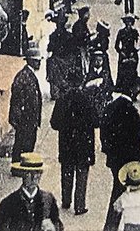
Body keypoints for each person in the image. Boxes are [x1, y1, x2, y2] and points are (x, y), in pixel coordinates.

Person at [51, 68, 98, 216]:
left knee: (67, 171)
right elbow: (96, 121)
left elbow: (54, 123)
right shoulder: (87, 99)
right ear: (81, 82)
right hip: (84, 143)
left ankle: (66, 200)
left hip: (67, 143)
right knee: (82, 173)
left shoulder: (62, 99)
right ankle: (80, 205)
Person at [101, 85, 140, 231]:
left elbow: (104, 136)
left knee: (117, 192)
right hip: (133, 161)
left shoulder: (109, 109)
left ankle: (110, 226)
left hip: (116, 161)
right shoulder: (132, 110)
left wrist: (109, 152)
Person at [0, 152, 63, 231]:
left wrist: (53, 227)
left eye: (38, 172)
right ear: (22, 174)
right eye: (29, 173)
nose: (34, 177)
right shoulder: (8, 203)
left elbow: (58, 224)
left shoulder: (48, 200)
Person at [9, 44, 44, 164]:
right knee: (22, 144)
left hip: (29, 119)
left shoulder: (28, 75)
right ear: (30, 61)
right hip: (25, 119)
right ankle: (18, 166)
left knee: (27, 144)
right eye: (37, 61)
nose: (39, 64)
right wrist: (17, 119)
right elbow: (17, 100)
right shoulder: (23, 76)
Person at [114, 15, 140, 94]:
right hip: (124, 53)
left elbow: (138, 43)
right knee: (123, 73)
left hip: (132, 53)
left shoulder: (134, 32)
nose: (128, 24)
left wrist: (134, 51)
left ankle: (133, 90)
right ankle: (123, 89)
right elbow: (116, 45)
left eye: (130, 22)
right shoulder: (121, 32)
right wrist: (120, 52)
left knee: (132, 73)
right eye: (127, 22)